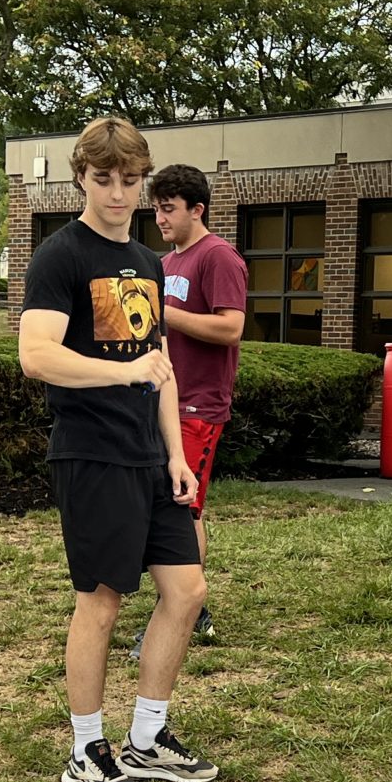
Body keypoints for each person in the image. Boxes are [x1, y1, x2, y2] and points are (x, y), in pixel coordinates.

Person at [17, 116, 219, 782]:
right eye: (104, 180)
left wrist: (176, 453)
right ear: (82, 177)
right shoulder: (60, 256)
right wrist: (121, 374)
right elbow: (35, 355)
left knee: (187, 592)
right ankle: (85, 749)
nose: (118, 193)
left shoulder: (146, 263)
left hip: (149, 457)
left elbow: (158, 365)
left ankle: (146, 738)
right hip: (91, 453)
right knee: (100, 602)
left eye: (130, 181)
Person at [147, 161, 247, 648]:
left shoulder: (219, 257)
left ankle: (192, 607)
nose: (160, 218)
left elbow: (231, 328)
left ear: (197, 209)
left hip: (200, 405)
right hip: (163, 400)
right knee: (171, 501)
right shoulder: (165, 264)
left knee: (186, 506)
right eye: (157, 209)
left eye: (169, 209)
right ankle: (182, 599)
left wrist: (166, 314)